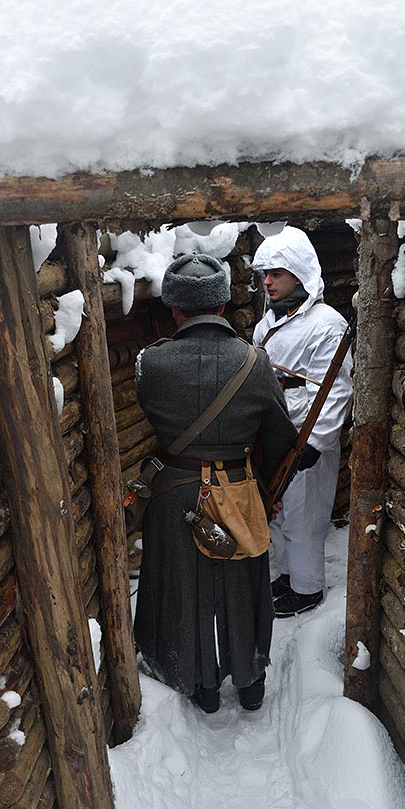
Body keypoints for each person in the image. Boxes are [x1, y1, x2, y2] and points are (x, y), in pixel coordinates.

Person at [133, 253, 297, 714]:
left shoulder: (150, 364)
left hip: (173, 494)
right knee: (243, 586)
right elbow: (282, 439)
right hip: (239, 489)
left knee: (181, 588)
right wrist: (267, 491)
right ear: (223, 305)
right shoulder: (254, 363)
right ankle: (250, 682)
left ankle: (200, 686)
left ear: (174, 309)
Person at [252, 226, 353, 618]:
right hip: (274, 433)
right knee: (277, 511)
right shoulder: (267, 323)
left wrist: (315, 443)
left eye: (277, 273)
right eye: (266, 274)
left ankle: (307, 588)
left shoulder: (326, 324)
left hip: (306, 434)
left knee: (304, 516)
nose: (268, 281)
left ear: (299, 274)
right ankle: (288, 575)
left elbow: (336, 390)